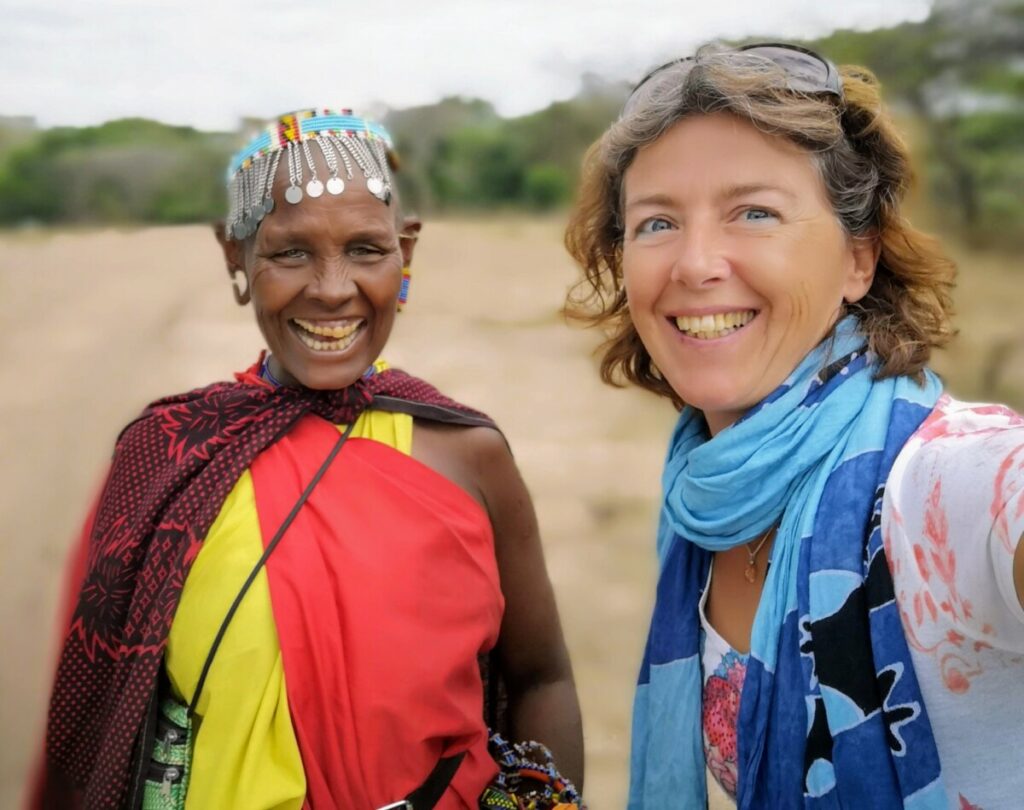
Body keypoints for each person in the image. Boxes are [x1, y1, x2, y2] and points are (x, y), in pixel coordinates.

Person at [33, 108, 584, 809]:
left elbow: (541, 679)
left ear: (405, 254)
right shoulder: (166, 456)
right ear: (235, 257)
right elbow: (99, 704)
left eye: (365, 250)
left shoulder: (469, 456)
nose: (330, 289)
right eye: (290, 253)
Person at [565, 43, 1024, 809]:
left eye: (755, 212)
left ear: (859, 259)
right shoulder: (707, 500)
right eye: (656, 224)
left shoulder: (954, 480)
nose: (695, 264)